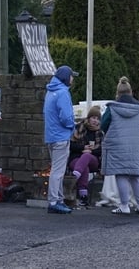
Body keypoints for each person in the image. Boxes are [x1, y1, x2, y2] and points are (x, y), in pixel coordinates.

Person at [101, 76, 139, 215]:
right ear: (131, 92)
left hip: (118, 144)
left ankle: (124, 206)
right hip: (136, 145)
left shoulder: (112, 108)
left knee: (121, 175)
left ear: (117, 93)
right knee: (136, 176)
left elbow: (103, 125)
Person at [43, 65, 77, 214]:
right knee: (58, 171)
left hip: (51, 136)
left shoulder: (50, 91)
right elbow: (66, 117)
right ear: (66, 77)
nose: (73, 79)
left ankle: (59, 199)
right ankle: (54, 201)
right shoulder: (63, 93)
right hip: (61, 136)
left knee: (57, 169)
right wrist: (72, 126)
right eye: (71, 76)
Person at [69, 106, 104, 207]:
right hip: (76, 158)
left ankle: (75, 176)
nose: (95, 121)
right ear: (88, 118)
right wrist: (83, 148)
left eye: (97, 119)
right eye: (93, 118)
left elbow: (101, 150)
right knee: (85, 167)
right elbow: (71, 145)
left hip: (93, 159)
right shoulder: (79, 128)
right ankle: (83, 196)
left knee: (87, 156)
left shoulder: (100, 132)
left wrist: (90, 150)